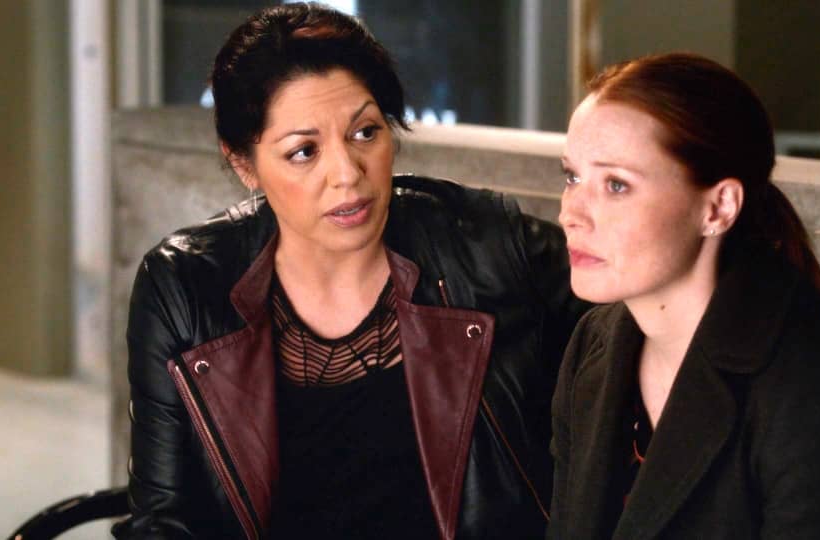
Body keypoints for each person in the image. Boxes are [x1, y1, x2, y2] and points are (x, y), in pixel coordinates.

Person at [110, 3, 586, 539]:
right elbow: (163, 520)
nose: (347, 174)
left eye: (364, 133)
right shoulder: (183, 286)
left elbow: (633, 327)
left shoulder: (488, 247)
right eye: (303, 151)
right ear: (244, 163)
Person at [547, 53, 820, 539]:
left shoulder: (814, 392)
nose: (571, 214)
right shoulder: (594, 344)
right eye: (572, 176)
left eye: (616, 185)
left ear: (718, 207)